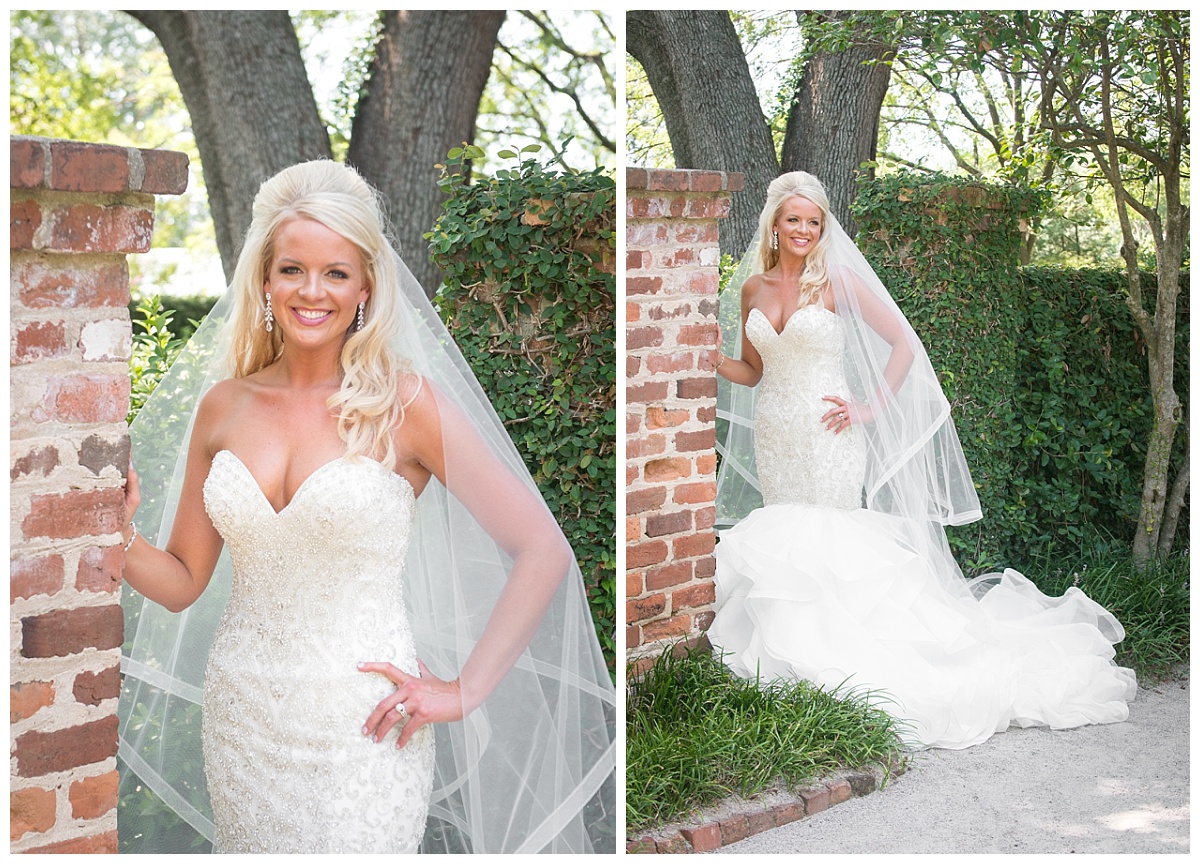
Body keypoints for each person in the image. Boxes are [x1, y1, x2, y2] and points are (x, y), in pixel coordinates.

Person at [118, 160, 615, 853]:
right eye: (292, 270)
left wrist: (463, 690)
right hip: (242, 718)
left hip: (364, 727)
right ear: (264, 279)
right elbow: (181, 583)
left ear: (366, 287)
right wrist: (115, 534)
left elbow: (543, 550)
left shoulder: (403, 405)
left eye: (335, 273)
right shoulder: (223, 408)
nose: (311, 291)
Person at [709, 171, 1136, 750]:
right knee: (784, 532)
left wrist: (869, 408)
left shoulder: (836, 282)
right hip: (776, 431)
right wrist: (705, 354)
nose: (805, 230)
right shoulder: (753, 290)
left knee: (826, 536)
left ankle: (837, 662)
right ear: (775, 225)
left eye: (814, 221)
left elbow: (904, 344)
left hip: (830, 433)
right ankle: (787, 665)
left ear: (823, 226)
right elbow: (753, 371)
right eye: (794, 220)